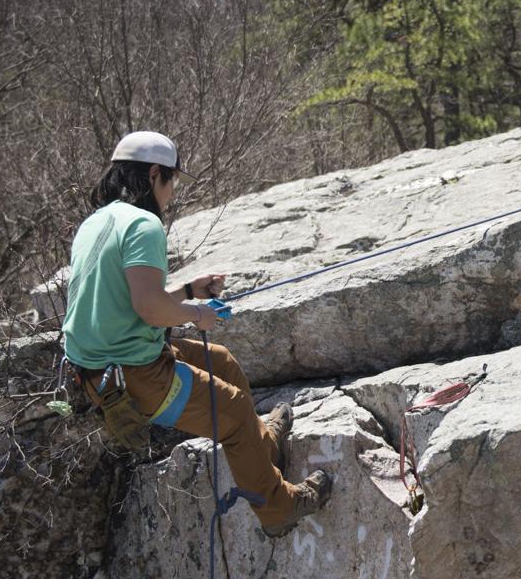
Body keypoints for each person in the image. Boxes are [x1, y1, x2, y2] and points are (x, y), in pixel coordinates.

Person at [61, 131, 332, 538]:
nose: (171, 195)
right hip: (134, 376)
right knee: (235, 411)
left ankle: (263, 446)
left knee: (220, 359)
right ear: (154, 174)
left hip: (104, 369)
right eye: (170, 182)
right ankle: (278, 509)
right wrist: (196, 313)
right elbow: (149, 307)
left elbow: (128, 301)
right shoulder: (144, 224)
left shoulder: (96, 223)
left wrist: (188, 293)